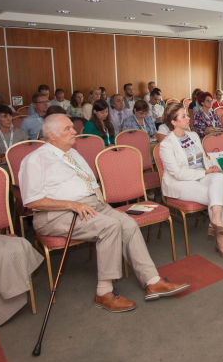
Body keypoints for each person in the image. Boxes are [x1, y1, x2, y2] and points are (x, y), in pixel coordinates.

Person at [19, 114, 189, 311]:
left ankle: (152, 281)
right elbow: (32, 201)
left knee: (127, 222)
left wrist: (109, 210)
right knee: (109, 226)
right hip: (56, 214)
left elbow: (92, 186)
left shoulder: (74, 154)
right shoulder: (35, 160)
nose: (75, 131)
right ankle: (103, 292)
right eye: (68, 129)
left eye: (73, 127)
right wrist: (71, 205)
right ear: (52, 135)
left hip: (90, 205)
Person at [158, 104, 223, 260]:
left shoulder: (194, 136)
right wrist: (205, 172)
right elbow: (178, 173)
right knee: (216, 195)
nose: (188, 118)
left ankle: (216, 221)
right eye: (183, 116)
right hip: (180, 183)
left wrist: (208, 166)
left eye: (187, 115)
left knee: (219, 178)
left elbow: (203, 159)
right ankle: (220, 239)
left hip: (201, 175)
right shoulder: (166, 144)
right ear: (173, 122)